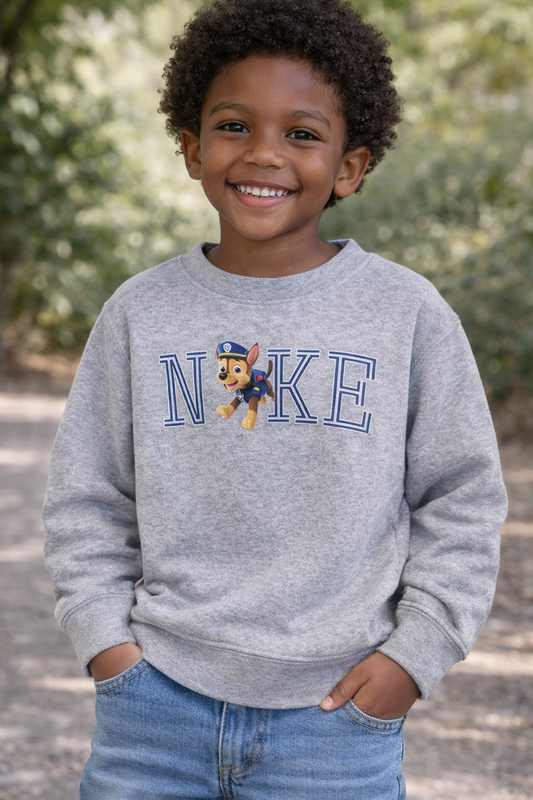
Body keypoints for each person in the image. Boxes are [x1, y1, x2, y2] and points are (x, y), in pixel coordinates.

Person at [42, 0, 508, 797]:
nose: (264, 154)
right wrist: (106, 646)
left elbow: (461, 500)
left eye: (301, 133)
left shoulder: (405, 313)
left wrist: (411, 657)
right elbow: (87, 498)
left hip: (335, 724)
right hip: (153, 709)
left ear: (350, 166)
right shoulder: (140, 313)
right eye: (232, 126)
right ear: (190, 149)